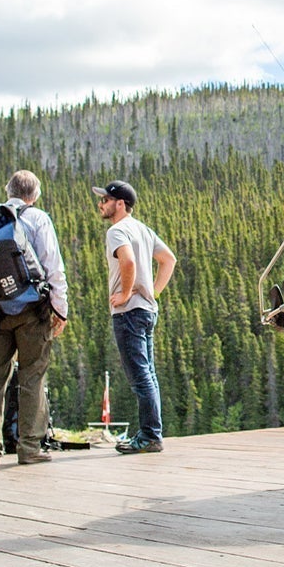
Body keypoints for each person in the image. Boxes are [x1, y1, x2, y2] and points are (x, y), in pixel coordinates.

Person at [0, 170, 69, 466]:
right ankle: (29, 448)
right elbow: (53, 267)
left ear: (8, 190)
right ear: (35, 194)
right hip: (32, 311)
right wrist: (60, 309)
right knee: (32, 376)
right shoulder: (39, 219)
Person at [93, 179, 175, 454]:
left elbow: (127, 261)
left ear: (120, 204)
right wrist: (154, 293)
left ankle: (150, 436)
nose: (100, 204)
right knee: (148, 374)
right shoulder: (143, 229)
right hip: (147, 310)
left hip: (129, 312)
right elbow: (169, 260)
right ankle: (152, 433)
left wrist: (126, 293)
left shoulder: (117, 231)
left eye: (104, 200)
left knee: (139, 376)